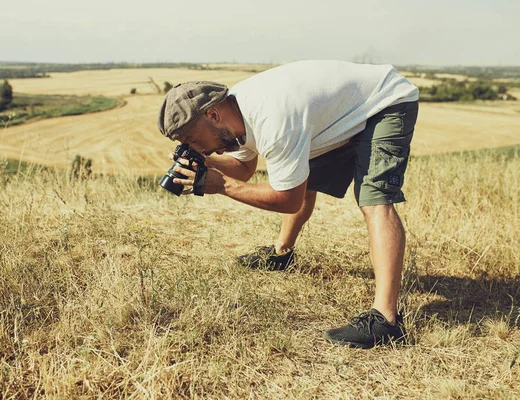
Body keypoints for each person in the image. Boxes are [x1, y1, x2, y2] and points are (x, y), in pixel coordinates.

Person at [157, 60, 419, 349]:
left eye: (193, 140)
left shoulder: (273, 117)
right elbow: (243, 167)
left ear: (213, 114)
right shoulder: (234, 115)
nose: (196, 147)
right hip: (337, 114)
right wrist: (204, 161)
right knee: (298, 173)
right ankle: (282, 254)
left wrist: (222, 186)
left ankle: (386, 320)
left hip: (384, 102)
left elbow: (289, 199)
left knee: (374, 199)